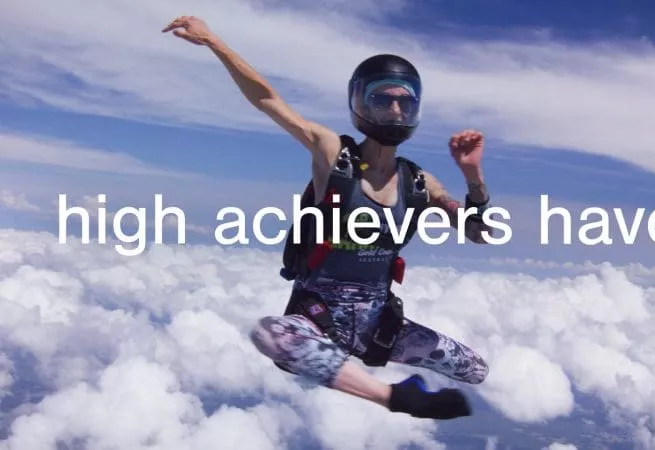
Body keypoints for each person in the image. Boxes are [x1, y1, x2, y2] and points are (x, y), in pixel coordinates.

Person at [163, 16, 497, 420]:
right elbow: (267, 99)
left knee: (475, 370)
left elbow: (477, 232)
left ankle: (389, 386)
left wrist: (472, 176)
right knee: (271, 334)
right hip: (318, 321)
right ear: (361, 103)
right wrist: (215, 42)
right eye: (382, 99)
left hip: (381, 328)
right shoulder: (333, 156)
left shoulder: (419, 183)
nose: (394, 109)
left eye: (404, 102)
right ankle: (396, 397)